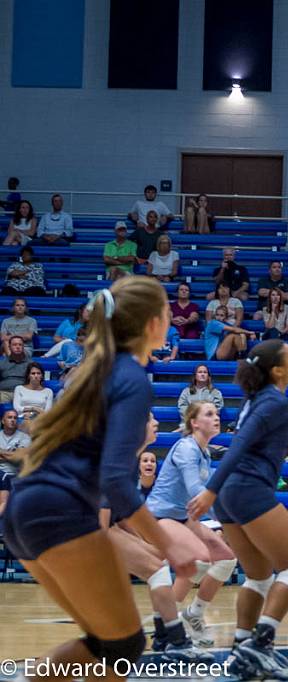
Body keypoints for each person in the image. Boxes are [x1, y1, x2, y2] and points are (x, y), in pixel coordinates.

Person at [3, 277, 200, 678]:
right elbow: (114, 477)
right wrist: (166, 544)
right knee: (122, 644)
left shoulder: (96, 371)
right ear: (151, 324)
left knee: (106, 642)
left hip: (24, 512)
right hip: (58, 511)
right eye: (165, 311)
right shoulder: (131, 378)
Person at [186, 340, 288, 680]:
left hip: (230, 493)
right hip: (246, 489)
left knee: (258, 575)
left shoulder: (256, 399)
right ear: (278, 370)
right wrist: (209, 491)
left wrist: (215, 491)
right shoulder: (274, 402)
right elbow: (238, 444)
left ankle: (242, 650)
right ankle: (261, 642)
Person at [103, 414, 211, 663]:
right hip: (87, 531)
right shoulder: (117, 462)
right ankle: (176, 640)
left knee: (158, 564)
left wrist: (146, 543)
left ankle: (165, 636)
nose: (155, 423)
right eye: (149, 419)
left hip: (109, 525)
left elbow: (122, 517)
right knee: (156, 569)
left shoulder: (130, 461)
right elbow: (100, 520)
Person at [147, 401, 237, 647]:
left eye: (217, 413)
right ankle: (166, 626)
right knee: (197, 560)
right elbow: (195, 490)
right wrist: (226, 519)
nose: (216, 417)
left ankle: (195, 613)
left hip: (183, 516)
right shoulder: (186, 449)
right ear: (194, 423)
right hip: (160, 515)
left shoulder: (204, 451)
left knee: (226, 558)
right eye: (209, 414)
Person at [0, 409, 29, 516]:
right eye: (9, 417)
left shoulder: (24, 437)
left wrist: (1, 452)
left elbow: (19, 457)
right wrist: (12, 454)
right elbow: (15, 456)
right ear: (3, 421)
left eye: (15, 418)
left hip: (14, 475)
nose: (13, 420)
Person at [0, 335, 31, 402]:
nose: (17, 347)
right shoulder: (1, 363)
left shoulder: (31, 364)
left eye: (20, 345)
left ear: (23, 347)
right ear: (9, 347)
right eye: (14, 345)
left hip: (24, 393)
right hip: (4, 393)